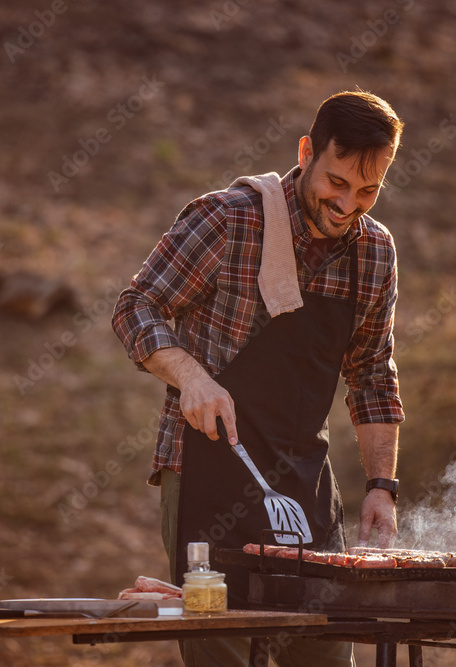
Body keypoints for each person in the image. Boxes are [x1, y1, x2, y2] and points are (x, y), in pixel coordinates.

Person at [112, 90, 405, 667]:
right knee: (219, 646)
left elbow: (372, 373)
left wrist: (381, 487)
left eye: (368, 190)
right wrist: (191, 376)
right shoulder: (227, 219)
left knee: (321, 649)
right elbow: (136, 307)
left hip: (303, 482)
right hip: (206, 472)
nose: (348, 205)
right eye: (337, 182)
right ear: (306, 152)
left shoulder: (374, 253)